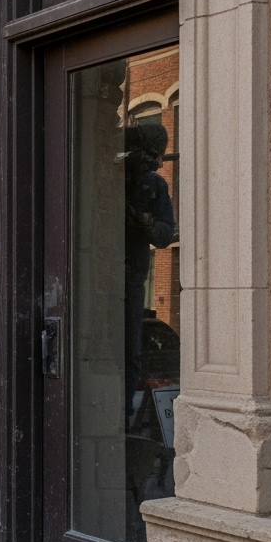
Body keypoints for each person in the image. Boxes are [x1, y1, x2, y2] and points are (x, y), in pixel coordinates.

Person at [123, 122, 176, 421]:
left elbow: (167, 234)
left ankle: (124, 416)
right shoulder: (110, 176)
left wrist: (146, 224)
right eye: (150, 155)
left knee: (131, 353)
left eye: (158, 158)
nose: (153, 163)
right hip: (96, 277)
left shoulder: (155, 186)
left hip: (132, 278)